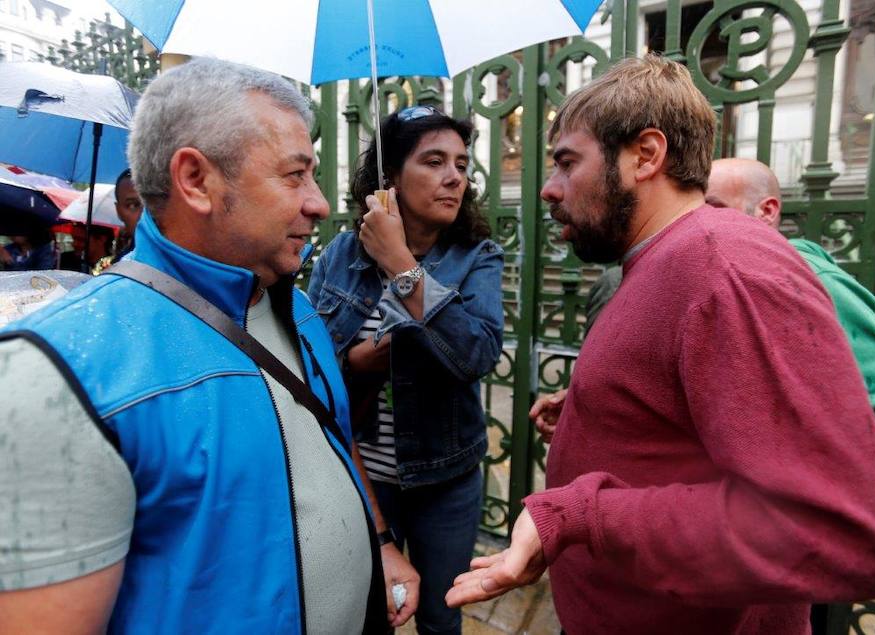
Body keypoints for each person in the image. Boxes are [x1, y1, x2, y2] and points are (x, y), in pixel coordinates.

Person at [446, 55, 875, 634]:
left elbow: (836, 526)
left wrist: (583, 515)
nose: (549, 189)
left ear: (646, 155)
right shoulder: (669, 258)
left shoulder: (725, 268)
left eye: (566, 162)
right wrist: (599, 411)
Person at [0, 58, 392, 634]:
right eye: (294, 175)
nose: (320, 203)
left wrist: (381, 543)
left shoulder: (298, 310)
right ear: (196, 180)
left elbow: (332, 446)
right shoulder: (55, 374)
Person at [308, 105, 504, 635]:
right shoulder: (342, 254)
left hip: (446, 476)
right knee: (374, 610)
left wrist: (401, 264)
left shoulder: (476, 256)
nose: (454, 177)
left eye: (461, 164)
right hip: (364, 475)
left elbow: (477, 356)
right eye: (434, 161)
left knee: (441, 616)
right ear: (390, 177)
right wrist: (355, 361)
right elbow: (311, 369)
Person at [705, 157, 875, 471]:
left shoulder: (806, 279)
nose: (698, 222)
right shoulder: (725, 278)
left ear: (766, 211)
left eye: (713, 208)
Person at [112, 168, 143, 262]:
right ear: (118, 211)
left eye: (152, 202)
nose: (144, 213)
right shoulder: (117, 269)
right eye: (133, 205)